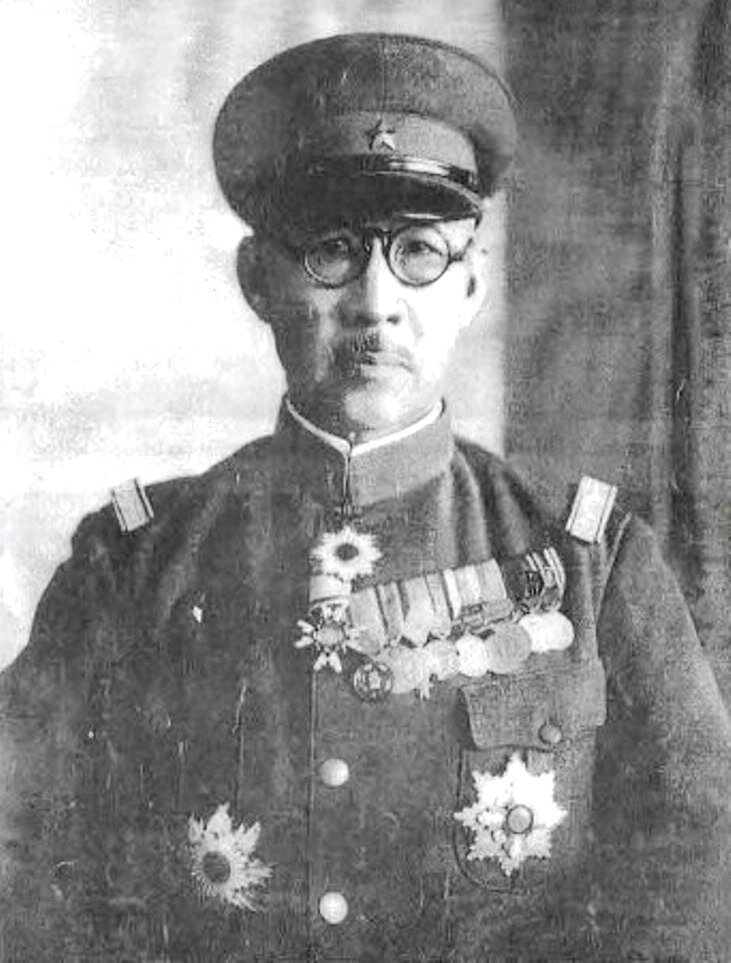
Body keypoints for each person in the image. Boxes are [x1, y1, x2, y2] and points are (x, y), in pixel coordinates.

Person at [1, 32, 729, 963]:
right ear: (258, 280)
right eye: (332, 250)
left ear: (469, 285)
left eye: (419, 251)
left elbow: (696, 870)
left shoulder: (591, 565)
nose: (375, 301)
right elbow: (21, 861)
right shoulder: (133, 567)